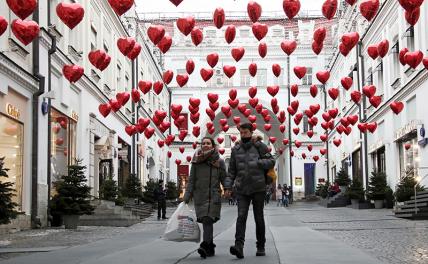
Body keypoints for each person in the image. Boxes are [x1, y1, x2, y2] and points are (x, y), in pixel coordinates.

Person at [227, 123, 276, 259]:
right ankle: (239, 246)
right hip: (242, 188)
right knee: (241, 217)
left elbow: (272, 161)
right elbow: (231, 171)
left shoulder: (260, 146)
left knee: (258, 217)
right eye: (241, 133)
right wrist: (227, 187)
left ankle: (261, 246)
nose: (243, 135)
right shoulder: (235, 149)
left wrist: (259, 163)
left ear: (251, 132)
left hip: (258, 187)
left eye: (245, 132)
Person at [183, 137, 229, 259]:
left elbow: (224, 177)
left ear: (213, 146)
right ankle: (210, 247)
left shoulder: (219, 161)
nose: (205, 145)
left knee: (208, 219)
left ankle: (204, 245)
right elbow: (191, 180)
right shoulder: (196, 161)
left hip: (214, 196)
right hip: (200, 196)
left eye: (208, 143)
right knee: (205, 221)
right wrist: (186, 196)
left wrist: (228, 189)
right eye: (203, 143)